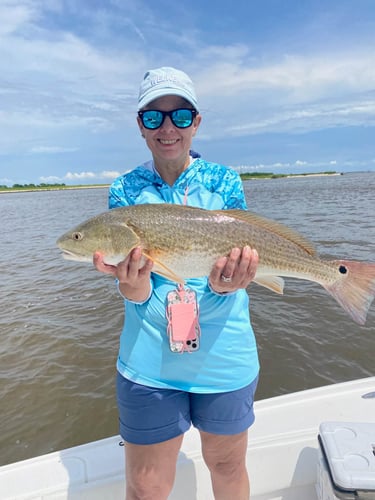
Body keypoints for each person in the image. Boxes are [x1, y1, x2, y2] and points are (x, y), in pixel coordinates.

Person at [94, 67, 260, 500]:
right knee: (146, 487)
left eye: (180, 116)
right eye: (153, 117)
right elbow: (136, 293)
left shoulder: (224, 181)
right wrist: (130, 285)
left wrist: (229, 283)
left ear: (196, 122)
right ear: (140, 126)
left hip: (224, 353)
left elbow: (237, 263)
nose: (167, 128)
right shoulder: (125, 190)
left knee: (227, 465)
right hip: (148, 359)